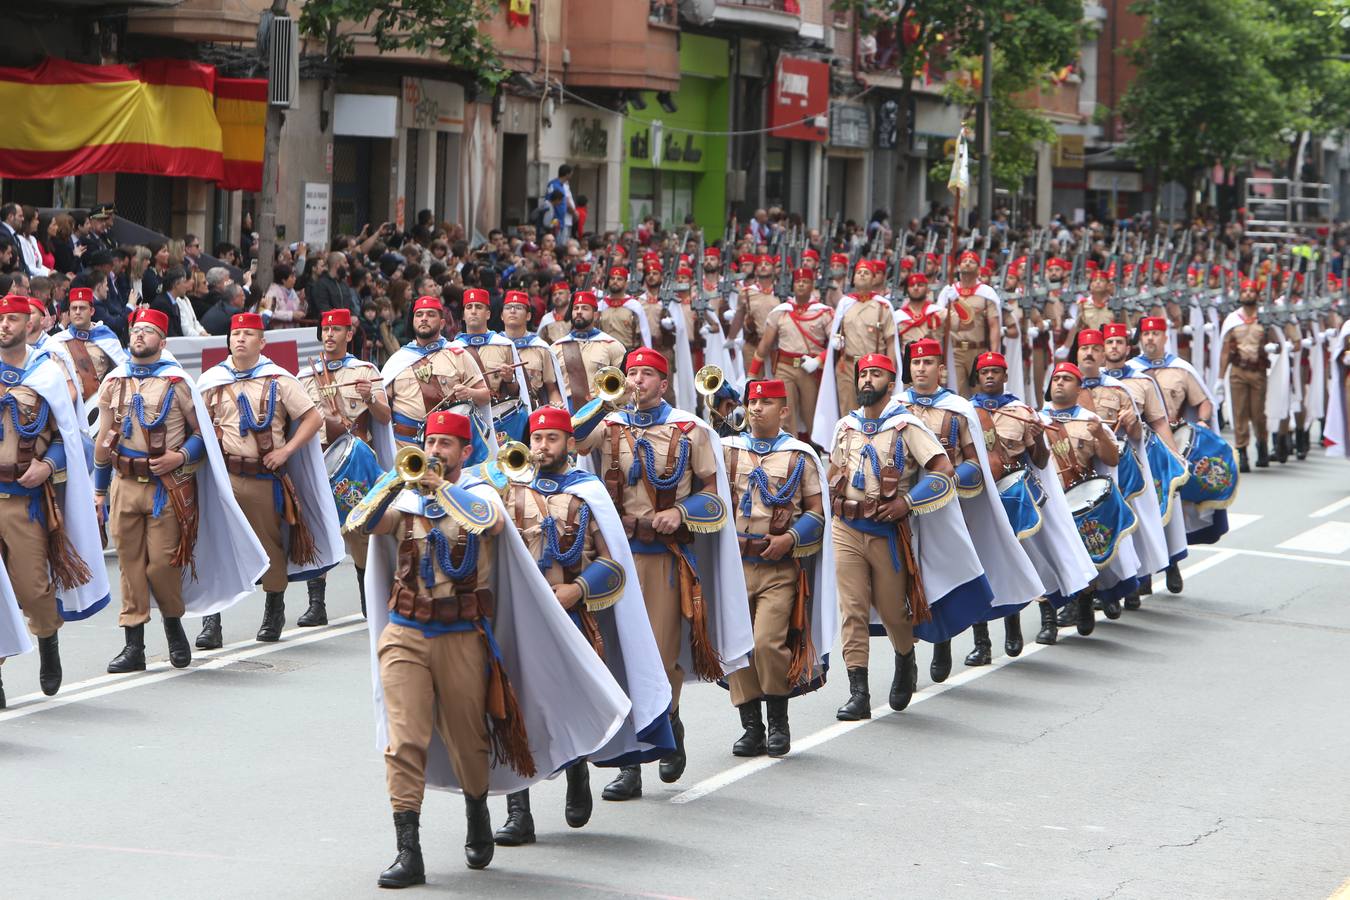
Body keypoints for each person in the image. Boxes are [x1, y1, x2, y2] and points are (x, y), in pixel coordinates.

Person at [351, 409, 630, 886]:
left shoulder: (483, 496)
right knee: (404, 739)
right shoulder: (408, 498)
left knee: (468, 739)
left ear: (464, 453)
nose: (434, 453)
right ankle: (407, 849)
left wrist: (439, 488)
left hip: (462, 635)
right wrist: (394, 483)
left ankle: (477, 807)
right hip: (406, 632)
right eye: (430, 443)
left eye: (445, 446)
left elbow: (488, 522)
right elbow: (363, 524)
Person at [572, 348, 752, 800]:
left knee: (659, 652)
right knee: (618, 655)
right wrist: (603, 402)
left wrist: (682, 512)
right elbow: (570, 440)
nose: (636, 381)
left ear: (664, 383)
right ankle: (631, 762)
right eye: (630, 373)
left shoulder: (690, 430)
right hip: (613, 556)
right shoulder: (610, 425)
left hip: (662, 556)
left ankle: (668, 719)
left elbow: (714, 499)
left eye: (645, 374)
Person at [493, 405, 674, 846]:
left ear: (569, 444)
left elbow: (613, 566)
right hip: (520, 615)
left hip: (571, 613)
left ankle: (576, 771)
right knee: (513, 707)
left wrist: (576, 590)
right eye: (536, 438)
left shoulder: (588, 491)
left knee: (568, 698)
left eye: (551, 439)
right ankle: (520, 811)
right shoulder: (503, 489)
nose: (541, 447)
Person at [93, 309, 269, 672]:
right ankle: (134, 645)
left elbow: (202, 433)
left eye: (148, 331)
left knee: (161, 565)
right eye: (136, 330)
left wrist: (179, 456)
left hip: (167, 489)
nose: (139, 336)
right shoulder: (113, 382)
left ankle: (173, 626)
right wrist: (98, 492)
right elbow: (103, 438)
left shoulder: (177, 382)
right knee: (129, 566)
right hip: (124, 484)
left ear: (163, 341)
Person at [827, 353, 988, 719]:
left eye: (876, 374)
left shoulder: (906, 424)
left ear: (891, 381)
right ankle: (859, 692)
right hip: (847, 528)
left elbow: (942, 469)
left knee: (893, 611)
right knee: (851, 609)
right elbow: (835, 468)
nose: (867, 380)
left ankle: (905, 659)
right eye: (863, 373)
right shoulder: (845, 426)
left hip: (888, 530)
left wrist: (908, 502)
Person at [194, 313, 343, 649]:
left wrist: (287, 451)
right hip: (223, 478)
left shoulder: (278, 378)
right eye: (235, 334)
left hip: (262, 476)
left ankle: (273, 609)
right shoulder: (211, 381)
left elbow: (312, 417)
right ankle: (211, 622)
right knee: (216, 546)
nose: (240, 339)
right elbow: (197, 427)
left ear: (262, 342)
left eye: (248, 334)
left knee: (270, 546)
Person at [898, 338, 1044, 677]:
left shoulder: (958, 408)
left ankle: (988, 637)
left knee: (969, 568)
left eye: (929, 362)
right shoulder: (896, 407)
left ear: (942, 368)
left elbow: (977, 461)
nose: (922, 368)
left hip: (953, 506)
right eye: (917, 363)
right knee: (915, 579)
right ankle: (939, 643)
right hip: (907, 507)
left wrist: (949, 481)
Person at [0, 293, 109, 700]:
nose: (5, 326)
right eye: (1, 319)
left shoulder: (45, 373)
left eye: (13, 319)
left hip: (24, 499)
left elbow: (69, 437)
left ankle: (48, 641)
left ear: (28, 323)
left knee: (31, 590)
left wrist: (47, 467)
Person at [720, 379, 832, 757]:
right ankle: (750, 725)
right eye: (752, 401)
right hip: (735, 565)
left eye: (766, 402)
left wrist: (792, 539)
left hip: (778, 567)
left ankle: (778, 720)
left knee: (768, 642)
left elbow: (817, 513)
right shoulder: (727, 449)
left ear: (783, 410)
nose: (756, 408)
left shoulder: (799, 456)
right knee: (737, 646)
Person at [298, 308, 395, 622]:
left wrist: (370, 399)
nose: (329, 336)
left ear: (349, 335)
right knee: (316, 529)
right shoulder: (303, 376)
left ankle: (369, 596)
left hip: (355, 460)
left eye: (336, 330)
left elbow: (384, 417)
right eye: (325, 330)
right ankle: (316, 604)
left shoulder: (365, 371)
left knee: (361, 531)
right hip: (318, 462)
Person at [1039, 361, 1142, 636]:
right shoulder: (1036, 418)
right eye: (1056, 378)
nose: (1059, 383)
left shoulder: (1090, 420)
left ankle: (1084, 602)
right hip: (1048, 502)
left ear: (1079, 387)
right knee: (1044, 560)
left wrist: (1100, 436)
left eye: (1066, 379)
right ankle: (1048, 619)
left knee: (1083, 556)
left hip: (1078, 503)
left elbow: (1111, 460)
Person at [1128, 315, 1234, 574]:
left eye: (1155, 334)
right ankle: (1142, 573)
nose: (1150, 338)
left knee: (1170, 504)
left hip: (1170, 442)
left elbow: (1203, 401)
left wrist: (1204, 421)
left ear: (1166, 337)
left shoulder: (1181, 369)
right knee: (1141, 505)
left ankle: (1172, 561)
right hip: (1138, 444)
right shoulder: (1130, 371)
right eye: (1146, 334)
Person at [381, 295, 492, 458]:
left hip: (449, 446)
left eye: (430, 314)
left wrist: (470, 393)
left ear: (442, 323)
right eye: (419, 315)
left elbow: (485, 396)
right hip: (406, 447)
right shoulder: (397, 361)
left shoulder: (458, 354)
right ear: (413, 321)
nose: (424, 319)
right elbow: (383, 410)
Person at [811, 260, 899, 454]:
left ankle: (874, 448)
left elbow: (891, 341)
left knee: (874, 408)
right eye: (858, 272)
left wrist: (890, 370)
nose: (861, 275)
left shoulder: (882, 306)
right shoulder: (845, 303)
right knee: (848, 411)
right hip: (848, 365)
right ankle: (847, 451)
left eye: (866, 273)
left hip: (874, 367)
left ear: (874, 278)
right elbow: (836, 333)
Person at [749, 267, 833, 441]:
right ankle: (788, 451)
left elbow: (835, 344)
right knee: (784, 414)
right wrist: (751, 373)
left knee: (812, 414)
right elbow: (765, 344)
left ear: (812, 285)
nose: (801, 284)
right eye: (798, 281)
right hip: (784, 367)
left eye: (806, 281)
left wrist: (818, 360)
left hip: (810, 370)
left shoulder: (823, 312)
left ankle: (815, 452)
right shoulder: (781, 311)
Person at [451, 288, 531, 444]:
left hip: (501, 420)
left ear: (488, 314)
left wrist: (510, 379)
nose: (473, 311)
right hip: (466, 421)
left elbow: (517, 392)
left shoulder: (504, 345)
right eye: (469, 307)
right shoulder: (452, 349)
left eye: (479, 307)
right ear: (463, 314)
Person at [1218, 280, 1277, 470]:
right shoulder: (1232, 319)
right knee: (1239, 412)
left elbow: (1279, 342)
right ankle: (1242, 451)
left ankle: (1262, 444)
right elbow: (1226, 350)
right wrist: (1220, 377)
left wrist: (1273, 346)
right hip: (1238, 371)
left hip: (1258, 371)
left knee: (1258, 413)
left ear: (1258, 295)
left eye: (1252, 291)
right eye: (1245, 291)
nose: (1248, 294)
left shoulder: (1266, 318)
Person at [48, 286, 127, 415]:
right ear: (69, 313)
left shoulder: (107, 338)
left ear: (92, 311)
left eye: (82, 308)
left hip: (97, 409)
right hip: (66, 409)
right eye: (74, 308)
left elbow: (122, 372)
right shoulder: (57, 341)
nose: (77, 312)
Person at [934, 251, 1002, 396]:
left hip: (979, 350)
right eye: (964, 260)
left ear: (978, 269)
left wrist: (994, 354)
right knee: (957, 393)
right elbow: (939, 321)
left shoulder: (986, 293)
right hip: (954, 351)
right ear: (958, 267)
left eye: (972, 261)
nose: (967, 263)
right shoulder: (948, 291)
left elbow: (994, 325)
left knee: (981, 393)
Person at [549, 291, 625, 413]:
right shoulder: (556, 347)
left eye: (585, 308)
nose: (579, 311)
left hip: (601, 412)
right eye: (575, 308)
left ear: (595, 315)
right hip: (566, 411)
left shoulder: (612, 345)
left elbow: (623, 384)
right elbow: (551, 386)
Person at [500, 290, 563, 410]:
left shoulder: (540, 347)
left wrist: (558, 408)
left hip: (534, 412)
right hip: (498, 415)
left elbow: (551, 388)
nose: (513, 311)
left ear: (528, 316)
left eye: (518, 307)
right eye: (508, 307)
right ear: (502, 316)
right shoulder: (493, 345)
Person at [598, 265, 651, 353]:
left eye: (619, 279)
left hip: (628, 352)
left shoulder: (634, 305)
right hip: (605, 353)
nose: (615, 281)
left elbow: (644, 332)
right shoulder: (601, 305)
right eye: (612, 278)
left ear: (626, 283)